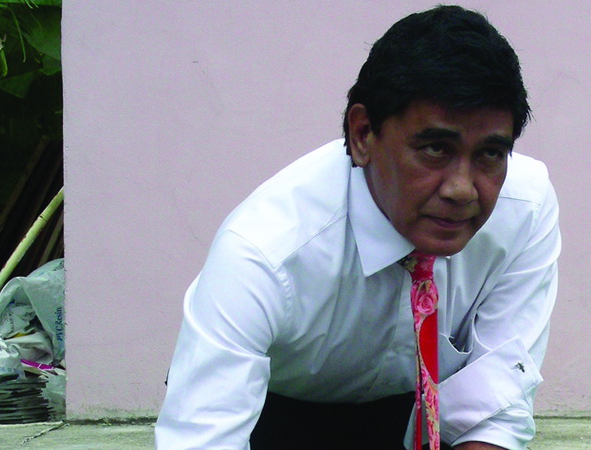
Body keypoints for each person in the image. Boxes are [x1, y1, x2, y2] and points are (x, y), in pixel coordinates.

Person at [155, 5, 560, 450]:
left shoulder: (524, 208)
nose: (462, 190)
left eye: (490, 154)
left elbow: (495, 407)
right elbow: (204, 437)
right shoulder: (263, 253)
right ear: (363, 134)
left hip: (418, 417)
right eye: (435, 148)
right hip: (274, 417)